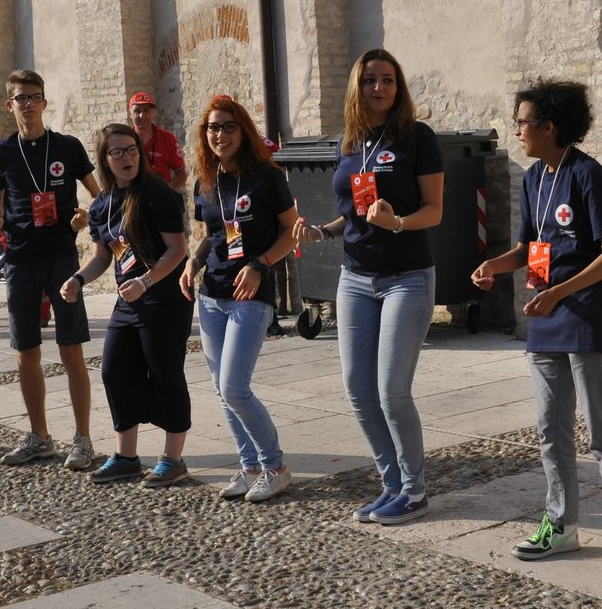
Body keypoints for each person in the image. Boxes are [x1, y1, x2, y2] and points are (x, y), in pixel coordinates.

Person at [471, 81, 602, 578]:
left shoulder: (589, 175)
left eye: (524, 122)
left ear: (551, 127)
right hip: (544, 317)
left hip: (589, 316)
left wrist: (560, 292)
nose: (518, 130)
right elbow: (531, 249)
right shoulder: (532, 178)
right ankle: (561, 525)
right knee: (551, 430)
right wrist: (493, 265)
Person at [294, 48, 444, 525]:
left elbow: (434, 211)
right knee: (358, 390)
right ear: (356, 87)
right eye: (369, 80)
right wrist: (322, 230)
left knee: (391, 391)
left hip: (406, 278)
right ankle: (392, 485)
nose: (378, 88)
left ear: (398, 88)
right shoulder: (350, 141)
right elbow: (354, 213)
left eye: (387, 80)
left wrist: (397, 222)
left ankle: (416, 491)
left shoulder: (418, 138)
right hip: (355, 277)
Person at [0, 70, 101, 468]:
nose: (28, 104)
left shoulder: (67, 146)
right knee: (25, 352)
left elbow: (99, 198)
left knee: (71, 350)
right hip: (20, 260)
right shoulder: (0, 153)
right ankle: (39, 436)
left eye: (35, 97)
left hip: (61, 258)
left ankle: (83, 439)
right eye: (21, 98)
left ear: (45, 103)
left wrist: (87, 217)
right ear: (9, 105)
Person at [181, 97, 298, 501]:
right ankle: (249, 467)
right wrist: (191, 264)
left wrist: (260, 264)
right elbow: (210, 235)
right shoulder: (206, 179)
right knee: (220, 387)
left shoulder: (266, 177)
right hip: (211, 294)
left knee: (234, 387)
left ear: (243, 130)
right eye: (213, 128)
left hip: (251, 292)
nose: (220, 135)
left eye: (228, 127)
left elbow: (291, 230)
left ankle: (276, 467)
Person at [68, 123, 192, 485]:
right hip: (129, 303)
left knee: (166, 375)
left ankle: (173, 459)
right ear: (105, 160)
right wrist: (77, 280)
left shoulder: (158, 194)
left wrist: (146, 280)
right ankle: (126, 456)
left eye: (132, 149)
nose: (127, 157)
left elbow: (178, 249)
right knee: (115, 371)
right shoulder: (102, 205)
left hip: (165, 299)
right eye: (118, 152)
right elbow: (102, 257)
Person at [128, 91, 187, 190]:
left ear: (153, 112)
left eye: (146, 110)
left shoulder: (167, 138)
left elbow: (181, 174)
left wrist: (165, 192)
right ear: (130, 114)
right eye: (137, 111)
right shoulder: (125, 140)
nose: (142, 115)